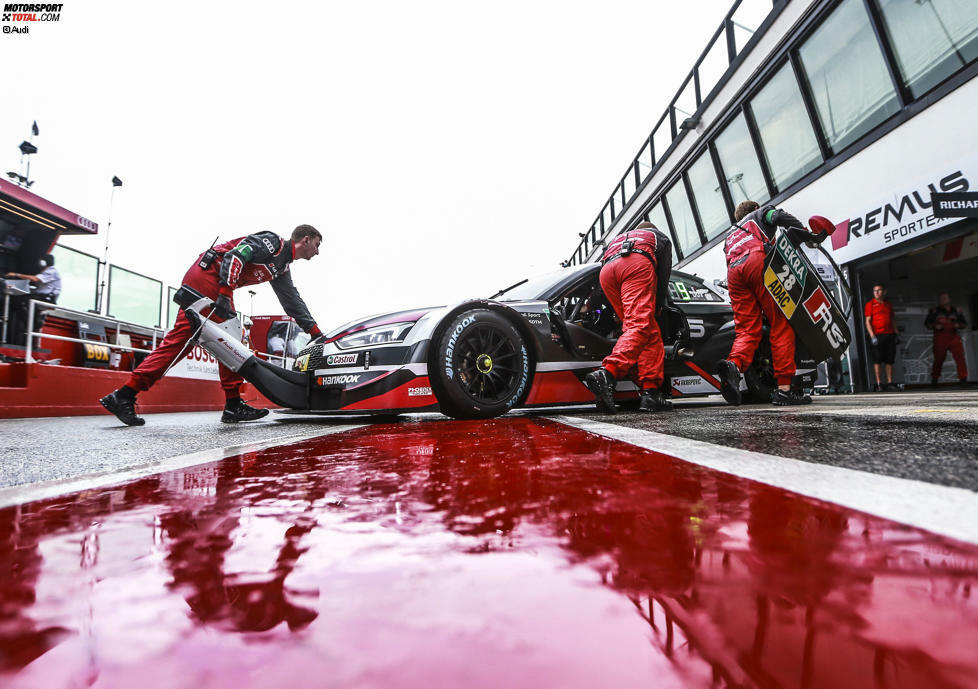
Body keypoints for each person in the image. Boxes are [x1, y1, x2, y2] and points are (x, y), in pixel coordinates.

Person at [99, 225, 324, 426]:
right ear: (305, 239)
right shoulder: (273, 243)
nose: (317, 252)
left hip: (215, 283)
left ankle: (126, 395)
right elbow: (236, 256)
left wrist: (315, 332)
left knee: (209, 340)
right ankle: (232, 404)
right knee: (226, 337)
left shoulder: (282, 267)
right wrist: (225, 293)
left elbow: (291, 300)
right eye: (316, 245)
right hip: (209, 277)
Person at [715, 200, 816, 406]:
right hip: (756, 262)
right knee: (781, 321)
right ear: (754, 209)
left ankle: (733, 365)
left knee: (746, 329)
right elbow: (778, 217)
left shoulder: (731, 234)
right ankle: (784, 390)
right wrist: (805, 233)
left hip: (734, 273)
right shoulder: (759, 214)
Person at [584, 221, 673, 414]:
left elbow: (600, 284)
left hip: (607, 273)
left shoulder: (617, 240)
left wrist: (591, 305)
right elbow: (663, 276)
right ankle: (608, 373)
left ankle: (651, 393)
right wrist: (657, 306)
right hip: (635, 266)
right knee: (640, 325)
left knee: (646, 329)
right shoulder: (659, 238)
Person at [5, 254, 61, 346]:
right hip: (41, 297)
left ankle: (34, 323)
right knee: (18, 302)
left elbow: (35, 279)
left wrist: (15, 274)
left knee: (21, 302)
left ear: (43, 262)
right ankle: (26, 327)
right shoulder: (47, 272)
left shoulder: (51, 271)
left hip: (46, 299)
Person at [925, 293, 968, 385]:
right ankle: (935, 378)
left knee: (960, 357)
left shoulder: (956, 311)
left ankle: (963, 378)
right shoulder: (934, 311)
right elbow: (927, 324)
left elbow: (964, 324)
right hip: (940, 337)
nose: (943, 300)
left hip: (953, 337)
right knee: (939, 359)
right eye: (941, 298)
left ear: (949, 299)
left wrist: (959, 325)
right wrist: (935, 326)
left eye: (945, 298)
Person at [864, 284, 898, 391]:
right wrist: (872, 336)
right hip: (877, 335)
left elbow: (892, 320)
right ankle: (879, 384)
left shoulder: (888, 305)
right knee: (877, 359)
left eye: (879, 290)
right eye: (875, 291)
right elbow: (868, 321)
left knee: (889, 359)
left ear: (884, 292)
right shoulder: (870, 304)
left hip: (889, 335)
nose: (877, 292)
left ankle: (889, 382)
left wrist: (896, 333)